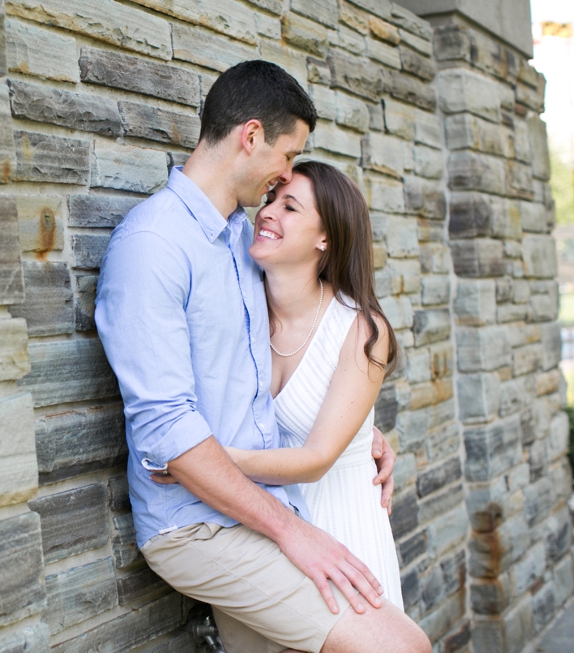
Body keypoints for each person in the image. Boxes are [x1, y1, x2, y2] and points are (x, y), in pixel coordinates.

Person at [94, 60, 430, 653]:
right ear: (251, 136)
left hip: (262, 507)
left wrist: (360, 434)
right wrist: (292, 532)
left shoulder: (240, 243)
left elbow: (297, 355)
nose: (286, 173)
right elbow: (167, 429)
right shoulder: (154, 245)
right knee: (402, 646)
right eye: (288, 154)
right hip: (199, 524)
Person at [153, 160, 411, 613]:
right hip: (267, 524)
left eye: (290, 207)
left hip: (341, 520)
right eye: (271, 199)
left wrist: (200, 462)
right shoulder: (240, 303)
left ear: (325, 237)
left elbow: (315, 460)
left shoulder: (361, 329)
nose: (268, 211)